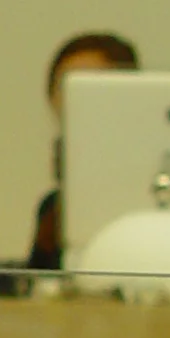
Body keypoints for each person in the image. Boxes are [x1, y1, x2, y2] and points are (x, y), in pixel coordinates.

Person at [27, 30, 140, 269]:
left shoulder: (151, 211)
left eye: (91, 86)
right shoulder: (52, 211)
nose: (74, 99)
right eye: (64, 86)